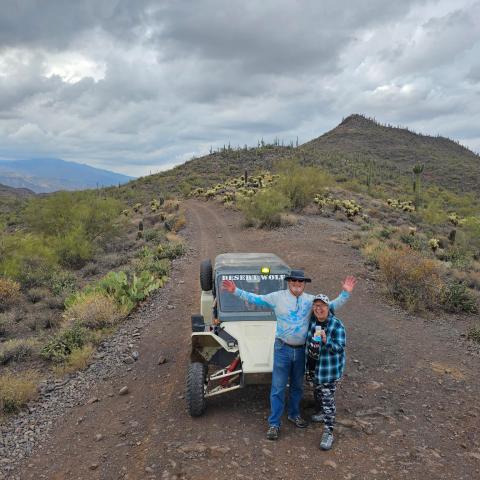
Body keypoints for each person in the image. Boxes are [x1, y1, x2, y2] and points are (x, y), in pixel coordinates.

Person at [222, 271, 356, 440]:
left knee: (297, 386)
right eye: (294, 281)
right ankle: (274, 423)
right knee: (278, 387)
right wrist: (235, 290)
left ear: (304, 284)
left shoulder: (310, 300)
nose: (297, 284)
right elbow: (257, 299)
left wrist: (345, 293)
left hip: (301, 350)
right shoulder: (277, 297)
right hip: (282, 349)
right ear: (289, 282)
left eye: (301, 282)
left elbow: (330, 306)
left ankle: (294, 414)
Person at [305, 293, 347, 451]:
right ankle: (322, 412)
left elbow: (340, 348)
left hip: (329, 372)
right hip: (314, 368)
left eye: (322, 305)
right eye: (316, 306)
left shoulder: (336, 325)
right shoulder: (312, 322)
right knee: (317, 393)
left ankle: (329, 432)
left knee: (328, 401)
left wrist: (326, 340)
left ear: (328, 307)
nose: (319, 308)